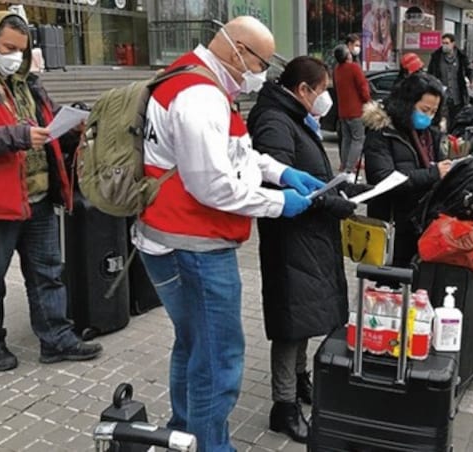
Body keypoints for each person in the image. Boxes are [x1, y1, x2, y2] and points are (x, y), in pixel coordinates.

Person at [132, 16, 324, 452]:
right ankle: (209, 444)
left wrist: (282, 171)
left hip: (178, 240)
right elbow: (212, 185)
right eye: (261, 61)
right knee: (218, 357)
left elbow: (236, 155)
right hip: (193, 246)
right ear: (238, 48)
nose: (264, 72)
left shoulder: (197, 81)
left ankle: (183, 434)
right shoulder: (199, 95)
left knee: (194, 345)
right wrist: (278, 203)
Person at [0, 11, 102, 372]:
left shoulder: (25, 82)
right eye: (8, 47)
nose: (15, 56)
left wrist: (72, 130)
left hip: (37, 198)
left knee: (47, 273)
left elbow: (45, 126)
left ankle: (56, 339)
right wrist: (16, 136)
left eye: (21, 49)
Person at [246, 56, 369, 443]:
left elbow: (308, 175)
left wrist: (343, 189)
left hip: (309, 234)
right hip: (290, 236)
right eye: (323, 90)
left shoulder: (293, 115)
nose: (326, 97)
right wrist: (334, 202)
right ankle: (283, 406)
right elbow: (280, 187)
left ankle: (300, 382)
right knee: (291, 319)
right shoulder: (274, 120)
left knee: (304, 314)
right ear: (303, 90)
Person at [363, 73, 452, 267]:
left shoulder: (430, 134)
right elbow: (383, 178)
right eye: (424, 110)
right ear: (407, 104)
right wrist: (433, 173)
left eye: (433, 112)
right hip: (392, 224)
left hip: (422, 223)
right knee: (388, 286)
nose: (428, 116)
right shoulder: (382, 133)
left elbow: (440, 166)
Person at [333, 43, 372, 173]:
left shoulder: (337, 70)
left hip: (343, 111)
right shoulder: (354, 68)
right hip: (356, 111)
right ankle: (350, 168)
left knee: (346, 140)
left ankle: (344, 165)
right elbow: (363, 88)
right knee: (358, 139)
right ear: (347, 56)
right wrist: (368, 101)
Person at [427, 33, 473, 129]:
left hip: (457, 96)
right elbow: (430, 74)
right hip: (442, 95)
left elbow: (469, 69)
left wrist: (472, 80)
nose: (445, 45)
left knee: (456, 120)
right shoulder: (436, 56)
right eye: (443, 43)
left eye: (447, 43)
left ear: (453, 44)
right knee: (441, 121)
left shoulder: (461, 56)